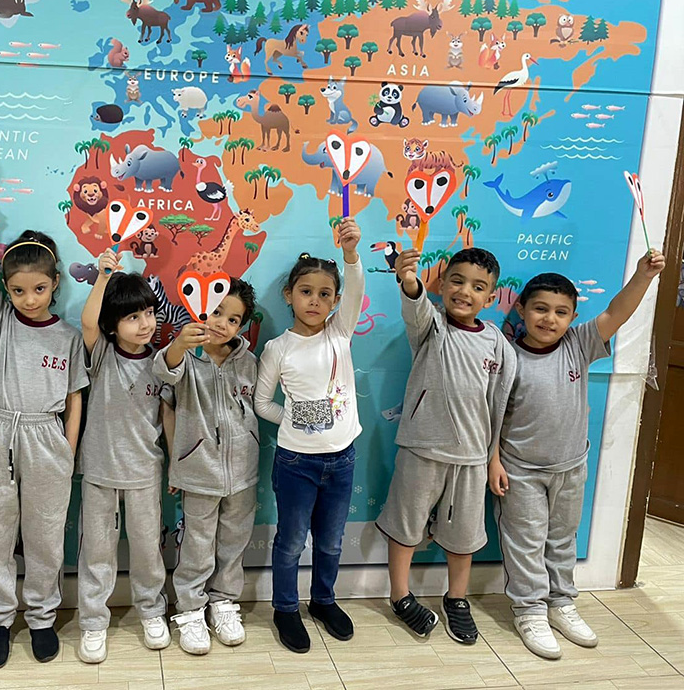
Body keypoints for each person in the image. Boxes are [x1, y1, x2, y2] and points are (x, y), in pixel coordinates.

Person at [492, 250, 666, 659]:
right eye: (540, 309)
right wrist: (494, 461)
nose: (549, 319)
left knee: (561, 540)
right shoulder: (507, 356)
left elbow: (616, 312)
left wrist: (643, 276)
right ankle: (529, 609)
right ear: (521, 308)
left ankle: (560, 602)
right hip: (521, 472)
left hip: (571, 466)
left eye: (560, 311)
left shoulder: (579, 343)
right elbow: (491, 417)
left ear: (572, 317)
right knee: (525, 542)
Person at [0, 170, 89, 668]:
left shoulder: (69, 337)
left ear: (55, 284)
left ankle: (41, 616)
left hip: (48, 438)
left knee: (44, 532)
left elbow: (76, 396)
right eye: (17, 290)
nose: (28, 298)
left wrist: (68, 448)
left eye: (38, 288)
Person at [376, 247, 515, 645]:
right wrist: (407, 278)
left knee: (465, 535)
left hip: (472, 459)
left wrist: (493, 459)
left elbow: (498, 405)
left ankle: (456, 598)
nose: (464, 292)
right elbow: (415, 304)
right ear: (442, 285)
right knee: (406, 525)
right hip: (422, 449)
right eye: (456, 281)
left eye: (478, 287)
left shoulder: (496, 344)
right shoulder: (431, 327)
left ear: (490, 298)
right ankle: (399, 595)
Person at [254, 218, 365, 654]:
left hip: (343, 458)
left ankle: (323, 601)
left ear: (335, 301)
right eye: (306, 292)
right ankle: (285, 608)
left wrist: (351, 255)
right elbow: (262, 403)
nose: (315, 301)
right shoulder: (278, 349)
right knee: (291, 541)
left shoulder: (340, 333)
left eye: (325, 294)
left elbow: (355, 287)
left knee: (332, 541)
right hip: (296, 461)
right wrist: (296, 418)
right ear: (289, 296)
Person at [75, 249, 174, 663]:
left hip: (145, 473)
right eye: (133, 317)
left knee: (148, 549)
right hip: (99, 471)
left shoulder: (162, 362)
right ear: (113, 326)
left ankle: (152, 611)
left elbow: (169, 416)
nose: (145, 323)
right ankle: (93, 621)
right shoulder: (101, 356)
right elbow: (86, 322)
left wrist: (178, 465)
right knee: (97, 550)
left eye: (149, 313)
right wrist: (103, 277)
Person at [153, 277, 259, 655]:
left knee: (233, 541)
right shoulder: (184, 355)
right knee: (196, 544)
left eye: (233, 319)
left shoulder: (248, 361)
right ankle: (190, 608)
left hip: (243, 471)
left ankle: (223, 602)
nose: (221, 323)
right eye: (216, 312)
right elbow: (164, 378)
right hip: (198, 471)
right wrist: (180, 343)